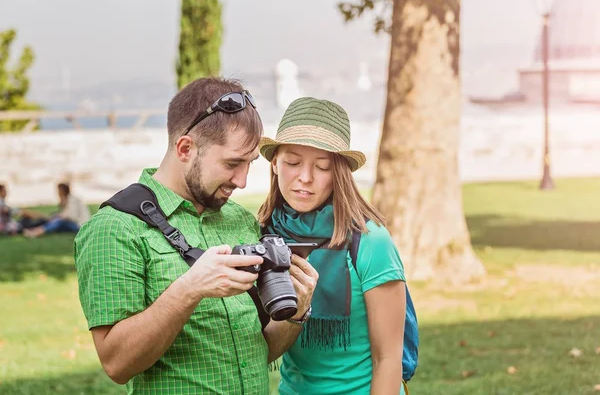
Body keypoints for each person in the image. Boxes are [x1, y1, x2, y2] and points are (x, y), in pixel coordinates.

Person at [73, 77, 318, 394]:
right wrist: (189, 290)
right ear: (185, 148)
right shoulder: (115, 228)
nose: (242, 181)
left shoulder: (241, 221)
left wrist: (296, 312)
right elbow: (117, 364)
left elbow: (257, 353)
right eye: (232, 163)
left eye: (249, 163)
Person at [257, 97, 409, 395]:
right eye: (292, 162)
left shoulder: (370, 241)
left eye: (322, 166)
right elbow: (260, 351)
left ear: (339, 173)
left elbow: (387, 359)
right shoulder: (265, 237)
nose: (305, 177)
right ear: (275, 164)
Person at [23, 183, 90, 238]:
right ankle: (34, 229)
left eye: (59, 190)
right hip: (73, 223)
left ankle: (36, 232)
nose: (58, 192)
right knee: (53, 219)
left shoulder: (73, 200)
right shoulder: (68, 200)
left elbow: (72, 217)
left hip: (79, 225)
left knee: (58, 221)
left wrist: (60, 216)